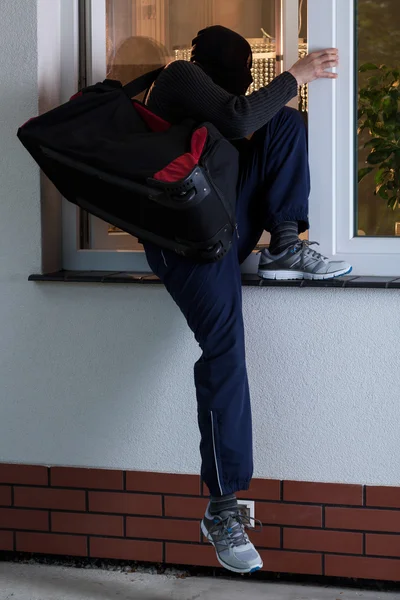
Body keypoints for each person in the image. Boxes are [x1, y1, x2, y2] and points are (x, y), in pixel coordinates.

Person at [143, 26, 352, 574]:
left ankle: (285, 246)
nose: (240, 74)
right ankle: (223, 507)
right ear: (207, 62)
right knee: (226, 359)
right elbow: (236, 116)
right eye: (234, 65)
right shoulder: (179, 78)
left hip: (224, 225)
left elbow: (246, 122)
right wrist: (298, 74)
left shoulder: (217, 102)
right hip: (186, 246)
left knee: (284, 121)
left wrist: (286, 94)